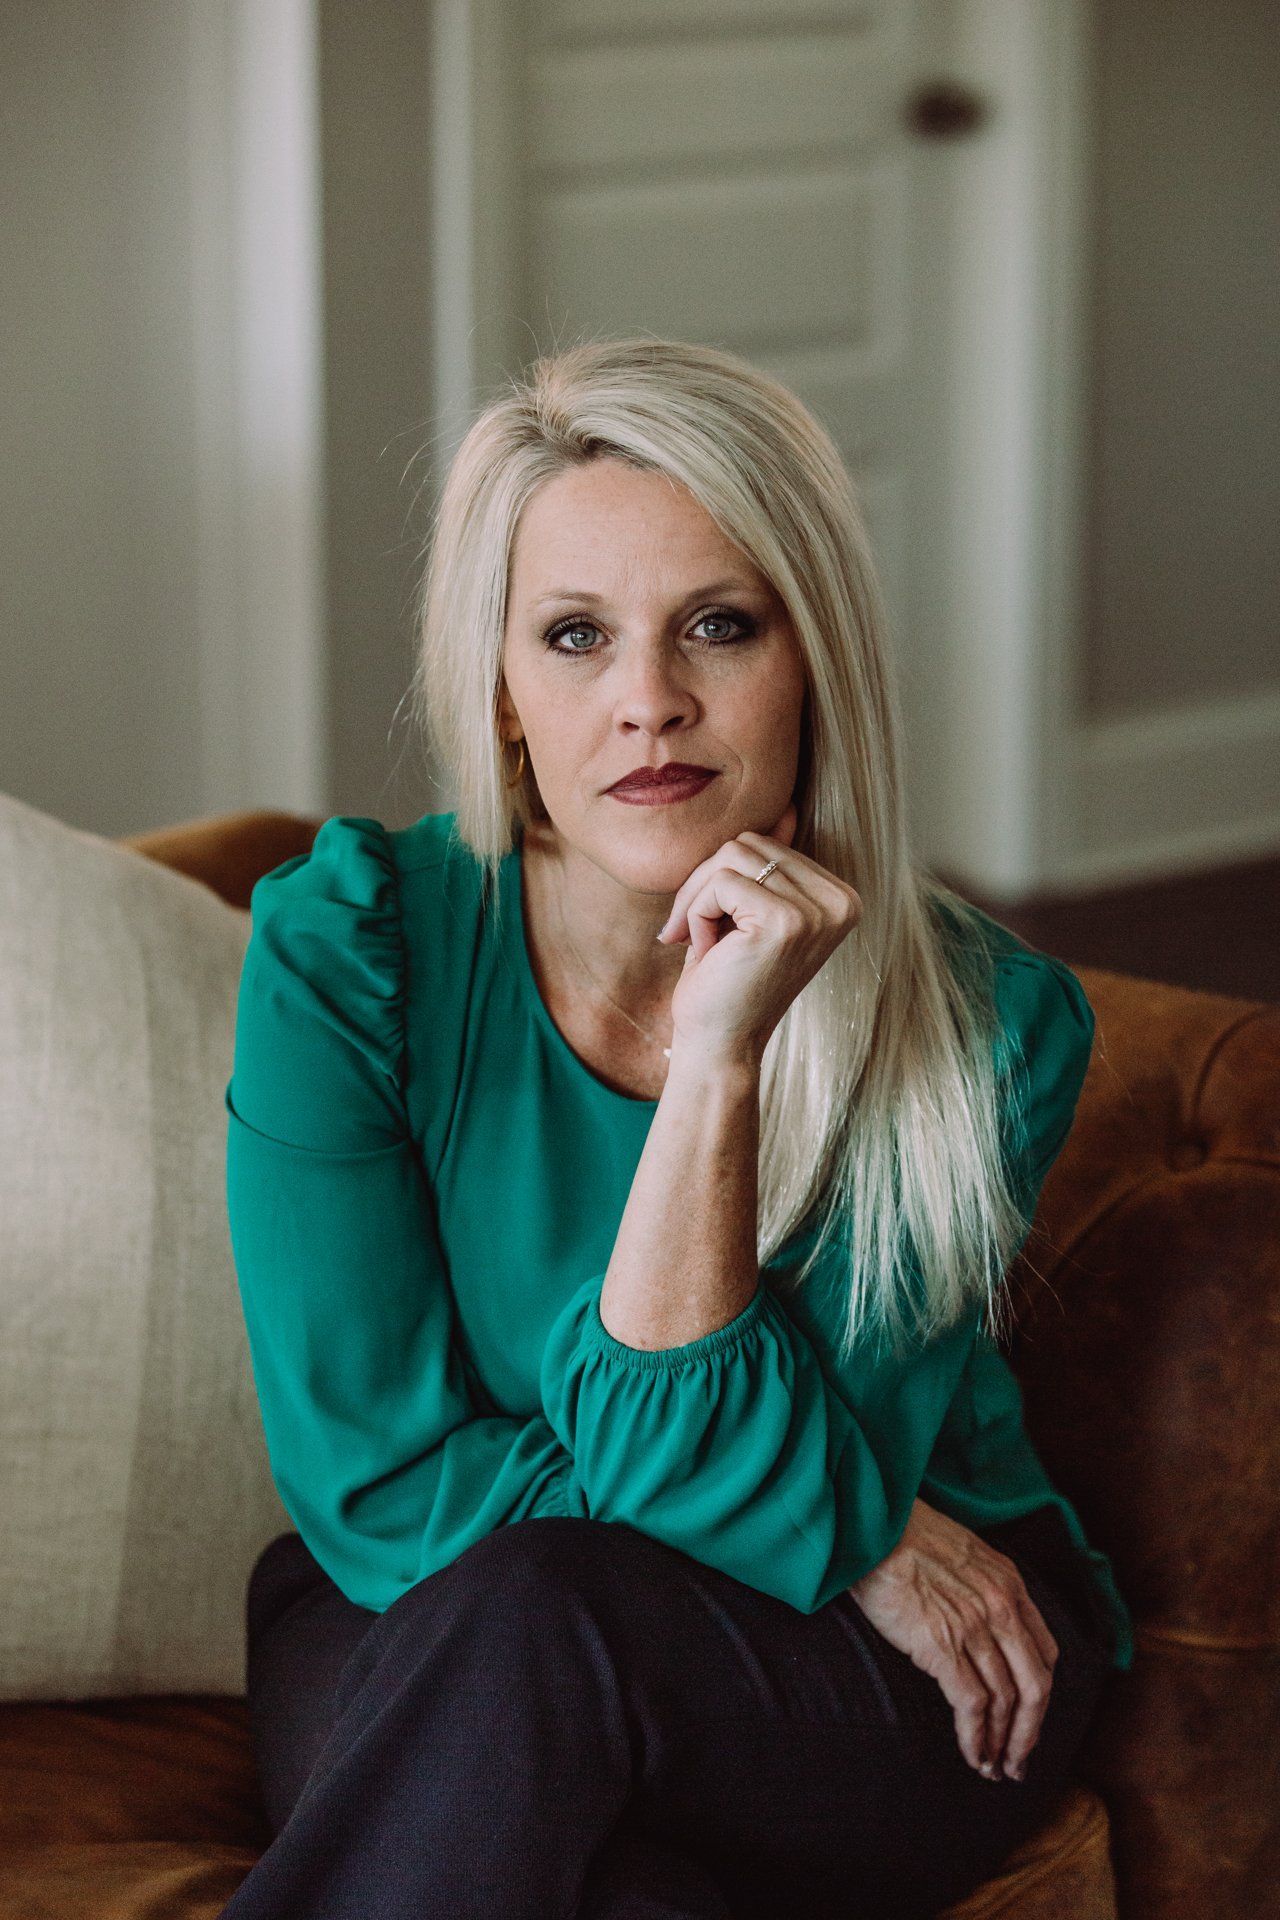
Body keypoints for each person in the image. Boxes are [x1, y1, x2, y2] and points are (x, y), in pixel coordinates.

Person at [218, 336, 1133, 1920]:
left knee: (540, 1623)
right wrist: (850, 1524)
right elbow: (372, 1487)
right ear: (501, 695)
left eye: (720, 624)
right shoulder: (350, 953)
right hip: (422, 1590)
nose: (649, 702)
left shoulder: (984, 1028)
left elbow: (703, 1479)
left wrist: (715, 1066)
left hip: (891, 1658)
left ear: (814, 664)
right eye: (575, 637)